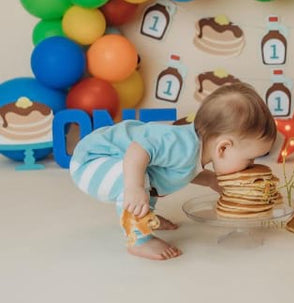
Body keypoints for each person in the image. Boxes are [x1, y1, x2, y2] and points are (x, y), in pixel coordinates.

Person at [70, 83, 277, 260]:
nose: (250, 165)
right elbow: (137, 150)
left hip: (109, 160)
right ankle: (138, 240)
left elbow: (182, 170)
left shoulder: (195, 152)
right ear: (222, 148)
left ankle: (147, 217)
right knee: (139, 179)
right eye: (249, 159)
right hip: (91, 160)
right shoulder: (181, 144)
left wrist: (212, 181)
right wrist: (133, 187)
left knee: (149, 178)